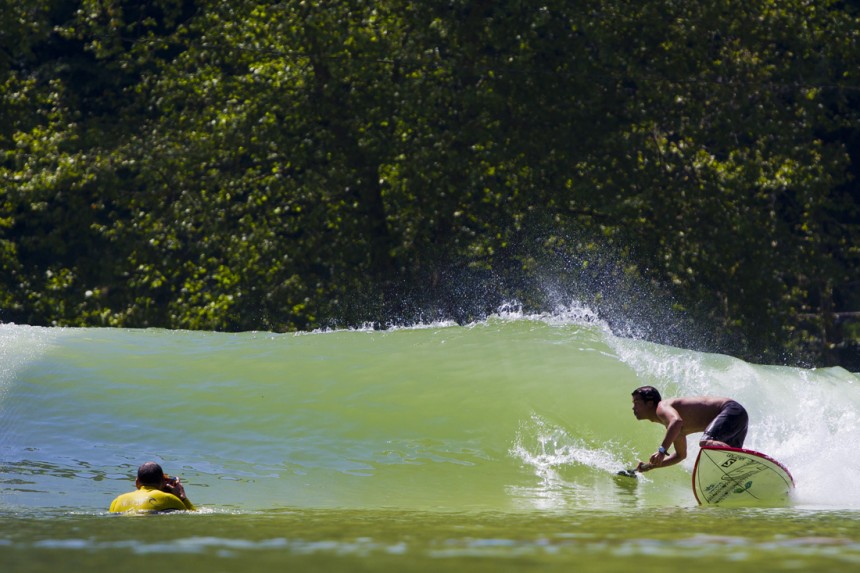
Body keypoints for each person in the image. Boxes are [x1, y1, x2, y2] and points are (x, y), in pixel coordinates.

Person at [630, 385, 748, 473]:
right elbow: (680, 456)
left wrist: (661, 451)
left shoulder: (662, 407)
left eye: (636, 402)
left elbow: (676, 421)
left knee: (706, 442)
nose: (633, 407)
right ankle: (744, 468)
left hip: (730, 409)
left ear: (650, 403)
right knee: (725, 464)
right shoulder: (675, 429)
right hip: (737, 416)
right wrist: (651, 466)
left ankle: (744, 463)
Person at [109, 461, 195, 513]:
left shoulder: (117, 501)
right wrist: (182, 497)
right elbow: (193, 516)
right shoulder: (169, 499)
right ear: (163, 482)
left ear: (137, 482)